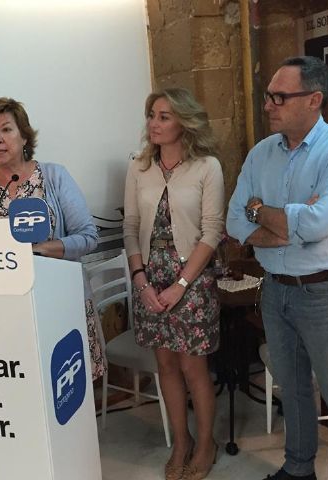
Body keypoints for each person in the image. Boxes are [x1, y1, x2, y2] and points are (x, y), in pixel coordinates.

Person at [226, 56, 328, 480]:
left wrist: (260, 211)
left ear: (314, 100)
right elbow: (234, 221)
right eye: (268, 95)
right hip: (275, 288)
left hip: (325, 292)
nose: (268, 105)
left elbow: (319, 224)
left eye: (279, 97)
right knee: (292, 388)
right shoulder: (261, 154)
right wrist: (288, 222)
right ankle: (298, 468)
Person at [0, 97, 105, 379]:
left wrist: (44, 249)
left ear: (24, 136)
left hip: (57, 301)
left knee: (65, 388)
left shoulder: (54, 176)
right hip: (4, 311)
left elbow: (88, 236)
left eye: (6, 129)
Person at [123, 88, 224, 480]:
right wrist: (140, 280)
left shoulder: (207, 167)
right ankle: (181, 441)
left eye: (164, 116)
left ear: (185, 121)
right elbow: (131, 227)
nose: (154, 123)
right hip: (150, 275)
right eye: (151, 114)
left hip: (192, 276)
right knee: (165, 363)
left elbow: (212, 231)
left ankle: (205, 443)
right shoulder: (139, 167)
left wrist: (181, 284)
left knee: (193, 366)